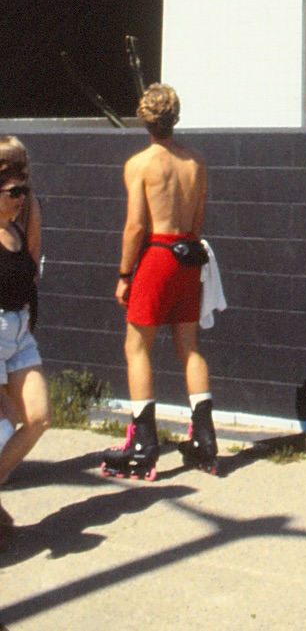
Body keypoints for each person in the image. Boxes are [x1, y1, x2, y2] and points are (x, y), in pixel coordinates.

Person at [103, 84, 217, 479]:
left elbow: (136, 226)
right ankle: (204, 439)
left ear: (143, 119)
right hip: (189, 256)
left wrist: (124, 274)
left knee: (136, 347)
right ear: (176, 117)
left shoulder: (140, 164)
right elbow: (198, 220)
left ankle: (142, 444)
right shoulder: (195, 162)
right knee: (190, 346)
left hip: (157, 255)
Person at [0, 136, 50, 526]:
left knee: (38, 417)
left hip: (19, 334)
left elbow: (30, 271)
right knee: (4, 425)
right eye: (14, 191)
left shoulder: (17, 227)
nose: (22, 197)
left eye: (25, 189)